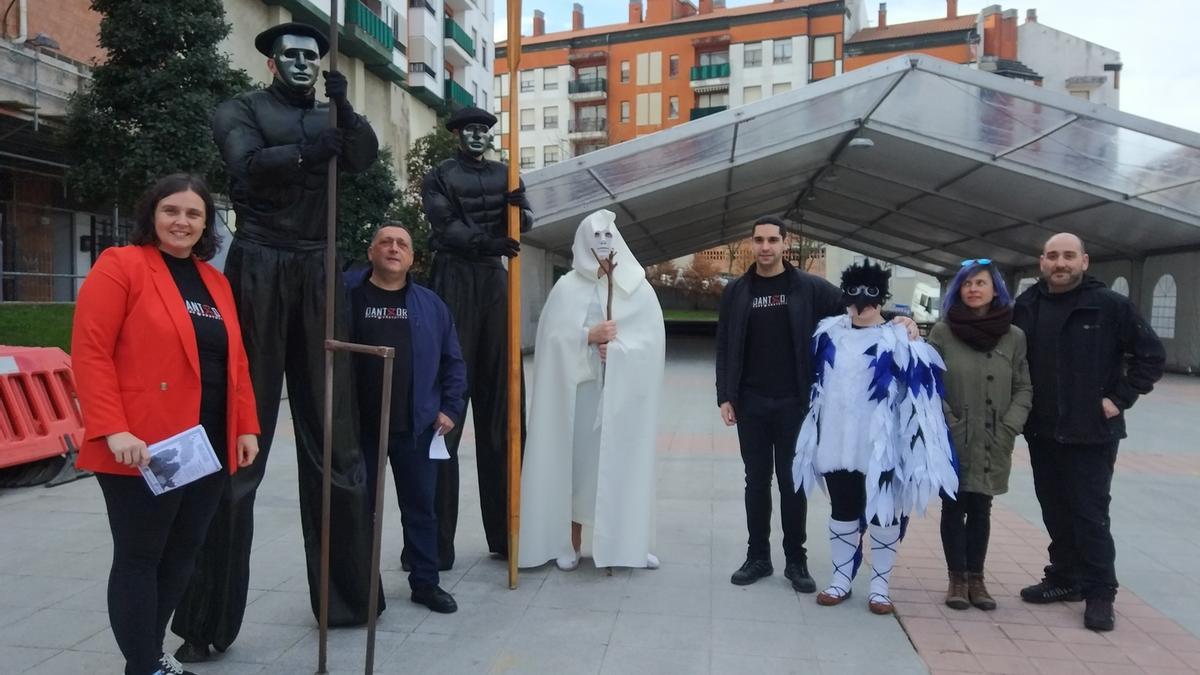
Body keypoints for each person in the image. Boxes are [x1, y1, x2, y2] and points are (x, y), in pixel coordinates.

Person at [172, 21, 383, 662]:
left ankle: (348, 597)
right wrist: (318, 149)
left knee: (336, 436)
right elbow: (246, 164)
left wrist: (344, 108)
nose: (302, 64)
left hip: (320, 267)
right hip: (260, 265)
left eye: (311, 57)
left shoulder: (330, 111)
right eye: (290, 55)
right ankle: (207, 618)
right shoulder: (239, 109)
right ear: (270, 63)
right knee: (240, 436)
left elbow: (366, 155)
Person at [71, 174, 260, 675]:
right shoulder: (122, 266)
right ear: (152, 215)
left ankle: (149, 658)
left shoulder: (214, 281)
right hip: (143, 444)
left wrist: (246, 427)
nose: (182, 221)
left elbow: (234, 362)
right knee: (140, 556)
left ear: (206, 224)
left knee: (182, 555)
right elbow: (91, 353)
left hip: (205, 445)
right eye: (171, 211)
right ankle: (144, 664)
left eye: (194, 214)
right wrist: (114, 428)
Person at [715, 216, 916, 592]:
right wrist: (725, 394)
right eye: (759, 240)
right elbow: (725, 344)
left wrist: (899, 320)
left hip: (795, 402)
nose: (765, 247)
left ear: (784, 244)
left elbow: (856, 305)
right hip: (750, 402)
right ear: (751, 244)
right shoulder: (737, 291)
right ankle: (757, 556)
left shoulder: (807, 287)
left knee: (794, 482)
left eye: (773, 240)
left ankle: (796, 560)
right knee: (755, 481)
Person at [1013, 233, 1164, 632]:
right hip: (1042, 430)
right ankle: (1065, 578)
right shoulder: (1027, 306)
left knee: (1089, 513)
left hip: (1092, 432)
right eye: (1052, 256)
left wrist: (1120, 397)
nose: (1059, 263)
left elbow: (1151, 355)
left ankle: (1100, 591)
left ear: (1084, 261)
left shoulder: (1110, 305)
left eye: (1068, 256)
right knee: (1054, 508)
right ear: (1041, 261)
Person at [792, 260, 957, 615]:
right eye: (852, 294)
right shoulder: (828, 334)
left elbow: (920, 400)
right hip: (836, 441)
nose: (859, 303)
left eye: (868, 295)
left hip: (883, 446)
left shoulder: (899, 338)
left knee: (885, 516)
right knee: (843, 510)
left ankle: (880, 587)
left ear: (881, 298)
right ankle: (841, 579)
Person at [519, 210, 665, 571]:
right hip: (581, 396)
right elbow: (551, 340)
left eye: (608, 235)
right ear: (583, 241)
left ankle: (629, 542)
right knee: (578, 468)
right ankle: (570, 542)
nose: (602, 242)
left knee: (625, 465)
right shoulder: (567, 287)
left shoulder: (637, 286)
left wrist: (618, 351)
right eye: (595, 235)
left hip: (623, 398)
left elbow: (651, 344)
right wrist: (587, 337)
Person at [421, 106, 533, 567]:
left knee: (505, 408)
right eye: (469, 130)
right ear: (455, 135)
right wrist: (488, 242)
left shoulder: (508, 173)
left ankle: (507, 532)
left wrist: (517, 214)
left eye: (484, 131)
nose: (477, 137)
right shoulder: (439, 176)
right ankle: (434, 543)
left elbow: (526, 221)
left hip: (493, 282)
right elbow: (444, 225)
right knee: (446, 407)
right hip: (453, 279)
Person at [345, 224, 466, 613]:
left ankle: (426, 583)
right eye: (385, 241)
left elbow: (454, 361)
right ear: (370, 252)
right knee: (358, 510)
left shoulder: (431, 305)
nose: (394, 248)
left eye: (402, 244)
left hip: (416, 428)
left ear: (412, 258)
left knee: (420, 508)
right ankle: (360, 589)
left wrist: (450, 408)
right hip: (359, 428)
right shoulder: (347, 296)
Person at [927, 259, 1031, 611]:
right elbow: (930, 384)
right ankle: (956, 578)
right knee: (953, 506)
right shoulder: (943, 332)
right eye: (967, 283)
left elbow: (1023, 386)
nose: (973, 289)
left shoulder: (1014, 336)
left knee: (982, 507)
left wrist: (1009, 425)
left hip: (994, 436)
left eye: (980, 283)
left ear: (994, 289)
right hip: (954, 435)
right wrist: (948, 421)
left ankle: (977, 578)